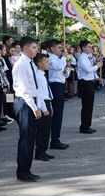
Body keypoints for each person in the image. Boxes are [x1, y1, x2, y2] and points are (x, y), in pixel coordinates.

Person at [12, 37, 42, 182]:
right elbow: (24, 90)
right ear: (25, 48)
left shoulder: (30, 63)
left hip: (31, 101)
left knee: (30, 137)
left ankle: (27, 169)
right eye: (34, 47)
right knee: (25, 137)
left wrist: (38, 104)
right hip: (24, 103)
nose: (37, 50)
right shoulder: (20, 65)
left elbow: (35, 87)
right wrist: (34, 107)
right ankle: (22, 171)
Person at [47, 39, 69, 150]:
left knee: (59, 113)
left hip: (60, 84)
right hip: (55, 86)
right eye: (59, 48)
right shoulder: (51, 59)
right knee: (57, 113)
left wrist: (66, 73)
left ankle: (56, 138)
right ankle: (54, 140)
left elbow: (62, 72)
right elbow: (58, 67)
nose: (61, 50)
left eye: (61, 48)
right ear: (52, 48)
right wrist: (64, 57)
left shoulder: (59, 59)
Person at [77, 40, 102, 134]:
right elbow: (87, 70)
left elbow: (91, 71)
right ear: (83, 48)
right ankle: (84, 126)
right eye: (88, 47)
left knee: (90, 105)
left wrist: (96, 78)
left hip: (89, 82)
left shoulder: (88, 58)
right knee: (86, 105)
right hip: (85, 83)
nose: (90, 48)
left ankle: (87, 124)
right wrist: (97, 66)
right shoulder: (82, 58)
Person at [33, 53, 54, 161]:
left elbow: (47, 92)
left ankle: (44, 150)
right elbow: (39, 94)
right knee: (42, 129)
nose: (48, 64)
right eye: (46, 62)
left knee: (47, 129)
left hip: (47, 102)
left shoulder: (43, 75)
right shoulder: (38, 76)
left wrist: (50, 106)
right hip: (42, 103)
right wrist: (44, 109)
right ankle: (39, 151)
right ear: (39, 64)